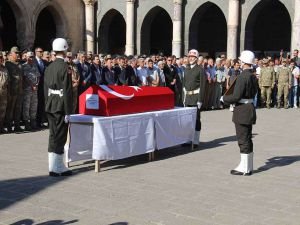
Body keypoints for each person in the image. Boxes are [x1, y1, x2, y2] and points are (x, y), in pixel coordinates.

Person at [222, 50, 257, 176]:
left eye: (241, 60)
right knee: (247, 138)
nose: (240, 62)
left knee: (243, 139)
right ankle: (248, 166)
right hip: (249, 108)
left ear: (243, 62)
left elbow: (236, 96)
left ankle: (245, 168)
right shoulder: (253, 75)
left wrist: (224, 99)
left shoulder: (243, 76)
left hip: (242, 110)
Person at [44, 38, 73, 177]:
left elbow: (45, 89)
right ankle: (56, 168)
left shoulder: (49, 67)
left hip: (50, 104)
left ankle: (55, 165)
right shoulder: (64, 67)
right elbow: (67, 90)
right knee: (60, 136)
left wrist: (47, 103)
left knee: (53, 135)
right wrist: (68, 111)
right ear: (65, 49)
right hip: (60, 105)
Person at [183, 49, 206, 147]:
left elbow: (203, 85)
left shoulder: (200, 69)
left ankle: (196, 140)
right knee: (187, 120)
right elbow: (183, 84)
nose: (191, 58)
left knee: (196, 119)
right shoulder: (186, 68)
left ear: (196, 58)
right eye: (189, 57)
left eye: (193, 57)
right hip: (187, 97)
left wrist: (200, 99)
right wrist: (183, 98)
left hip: (196, 97)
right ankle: (188, 139)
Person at [5, 47, 24, 133]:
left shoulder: (19, 64)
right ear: (10, 54)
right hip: (12, 91)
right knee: (10, 109)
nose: (17, 54)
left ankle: (17, 125)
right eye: (15, 53)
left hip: (19, 90)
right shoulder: (8, 64)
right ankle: (9, 126)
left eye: (18, 53)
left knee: (18, 109)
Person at [22, 51, 41, 131]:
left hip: (35, 89)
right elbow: (24, 78)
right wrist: (32, 85)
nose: (31, 58)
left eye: (32, 57)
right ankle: (26, 123)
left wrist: (36, 84)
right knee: (27, 106)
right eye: (30, 57)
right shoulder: (23, 66)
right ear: (26, 57)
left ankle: (33, 122)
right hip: (27, 89)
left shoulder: (35, 66)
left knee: (34, 105)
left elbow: (38, 76)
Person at [0, 52, 9, 134]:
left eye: (1, 57)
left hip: (4, 93)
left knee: (3, 111)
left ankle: (1, 127)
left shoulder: (4, 68)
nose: (0, 59)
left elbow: (7, 81)